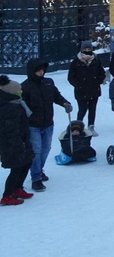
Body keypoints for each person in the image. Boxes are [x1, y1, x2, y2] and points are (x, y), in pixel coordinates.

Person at [21, 58, 71, 192]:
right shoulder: (25, 86)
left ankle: (39, 169)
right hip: (33, 125)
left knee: (46, 148)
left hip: (48, 123)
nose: (41, 72)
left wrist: (65, 103)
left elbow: (56, 96)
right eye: (38, 69)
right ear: (32, 71)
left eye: (43, 69)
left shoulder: (48, 83)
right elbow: (22, 106)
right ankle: (36, 178)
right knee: (36, 150)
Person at [0, 76, 34, 206]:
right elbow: (10, 131)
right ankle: (7, 195)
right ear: (11, 93)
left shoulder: (16, 103)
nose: (21, 93)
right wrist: (18, 144)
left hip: (23, 140)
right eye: (18, 91)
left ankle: (18, 188)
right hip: (13, 144)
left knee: (26, 163)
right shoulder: (8, 108)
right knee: (16, 168)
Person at [67, 40, 105, 135]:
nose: (87, 50)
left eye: (89, 49)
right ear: (82, 50)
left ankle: (91, 126)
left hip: (94, 89)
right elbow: (71, 77)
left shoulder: (96, 60)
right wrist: (78, 85)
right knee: (82, 109)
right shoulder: (76, 62)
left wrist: (98, 81)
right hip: (81, 91)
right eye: (85, 49)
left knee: (92, 109)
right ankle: (77, 126)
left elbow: (102, 73)